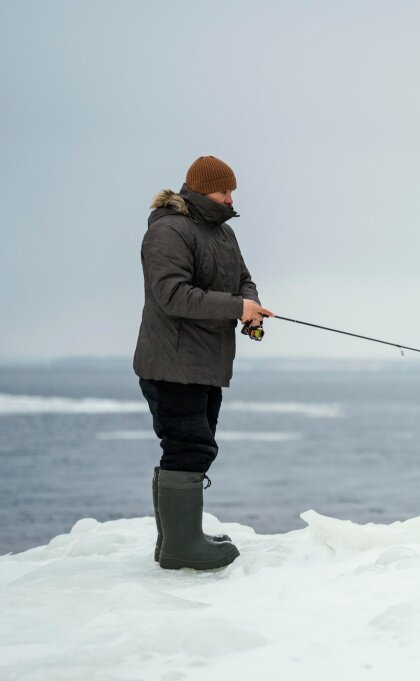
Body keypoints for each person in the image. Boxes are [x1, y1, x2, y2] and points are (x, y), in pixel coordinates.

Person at [133, 155, 273, 570]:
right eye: (222, 190)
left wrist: (250, 304)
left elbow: (244, 279)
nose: (229, 198)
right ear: (196, 190)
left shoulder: (222, 233)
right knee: (189, 446)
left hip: (205, 363)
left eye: (232, 191)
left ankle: (175, 538)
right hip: (172, 364)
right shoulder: (169, 231)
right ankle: (181, 547)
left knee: (193, 445)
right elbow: (172, 295)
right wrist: (236, 306)